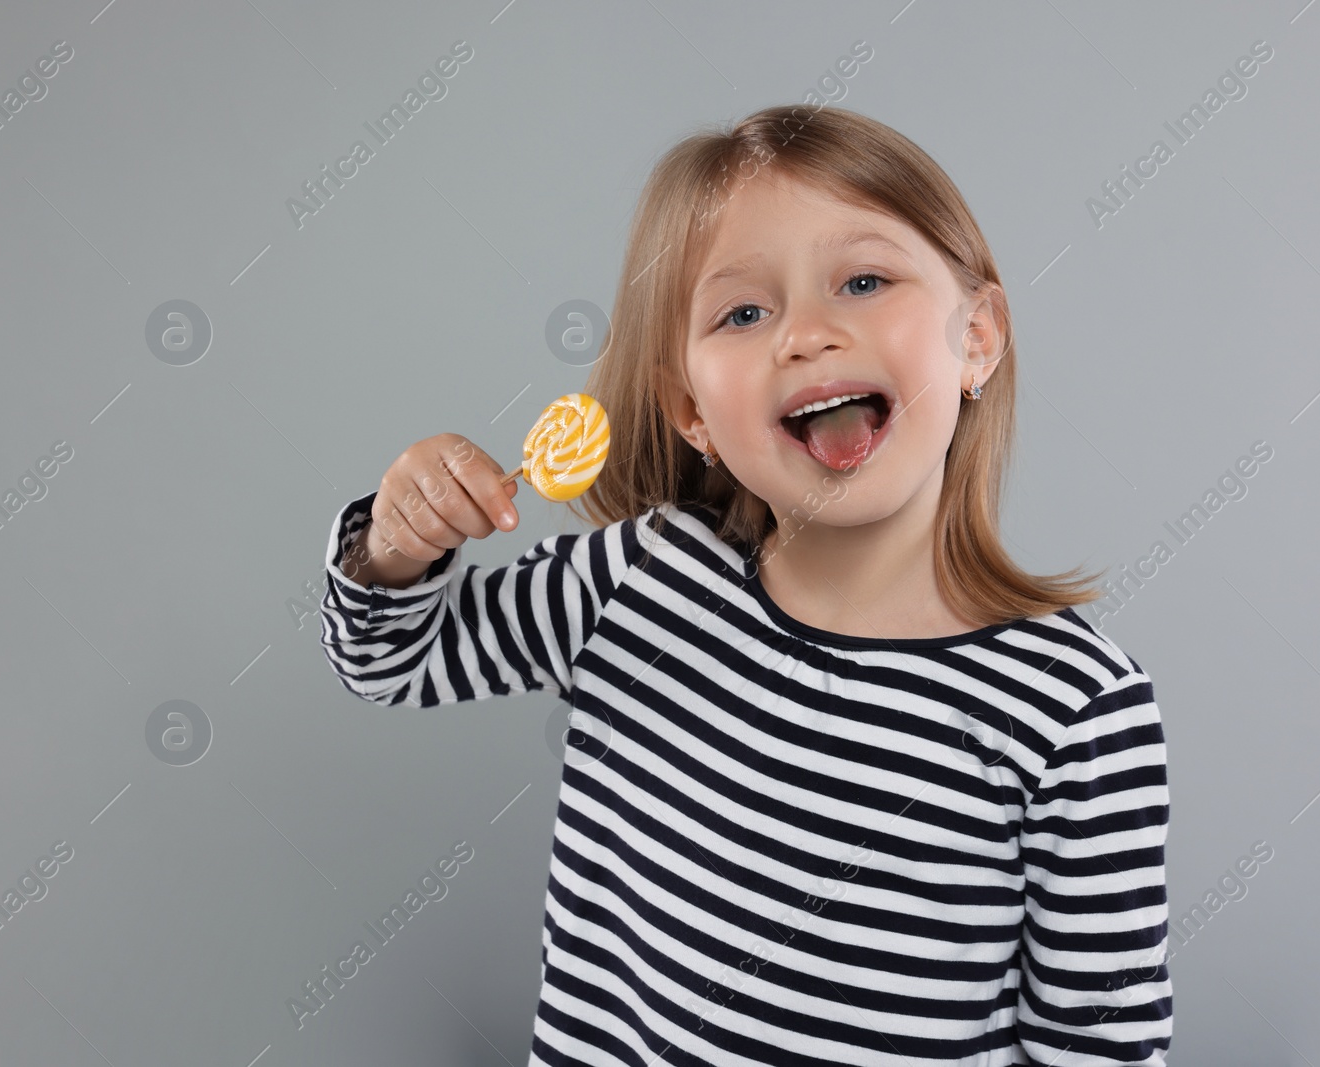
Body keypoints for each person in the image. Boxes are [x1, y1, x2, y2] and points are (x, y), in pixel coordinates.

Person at [319, 103, 1172, 1066]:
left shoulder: (1073, 708)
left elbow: (1099, 1047)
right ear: (691, 410)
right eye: (744, 311)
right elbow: (387, 657)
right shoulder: (642, 582)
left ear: (976, 336)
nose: (805, 334)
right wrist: (397, 542)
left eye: (862, 279)